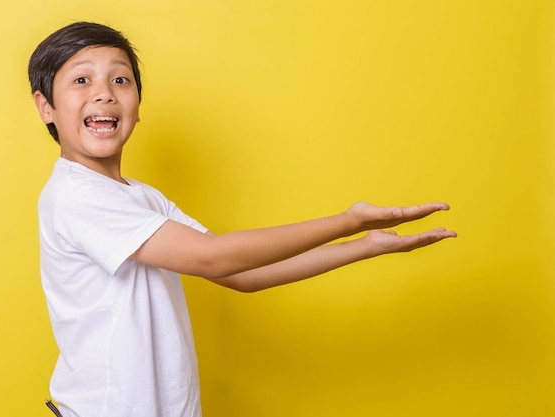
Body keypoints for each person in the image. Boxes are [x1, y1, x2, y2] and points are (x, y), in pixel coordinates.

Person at [29, 21, 456, 417]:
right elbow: (217, 258)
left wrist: (365, 246)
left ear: (138, 107)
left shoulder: (139, 197)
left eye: (120, 79)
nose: (104, 93)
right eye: (81, 79)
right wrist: (349, 221)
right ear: (45, 107)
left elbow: (243, 274)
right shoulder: (77, 195)